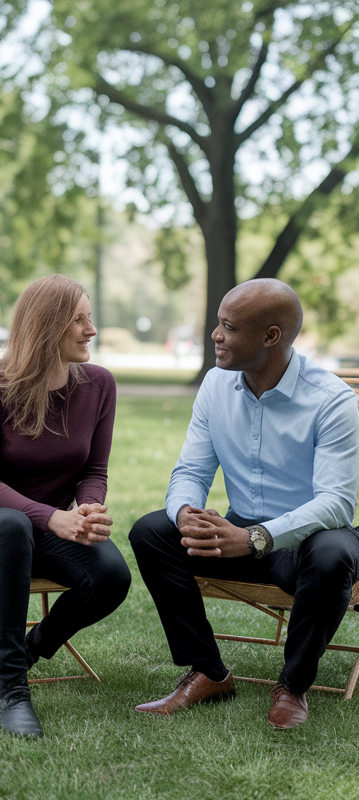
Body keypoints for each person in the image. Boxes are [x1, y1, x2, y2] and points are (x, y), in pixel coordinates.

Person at [129, 278, 359, 730]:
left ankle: (293, 687)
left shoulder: (332, 400)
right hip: (236, 535)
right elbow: (190, 473)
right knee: (152, 531)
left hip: (302, 549)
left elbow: (336, 503)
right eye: (218, 323)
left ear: (271, 336)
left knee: (334, 551)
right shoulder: (216, 386)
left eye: (229, 327)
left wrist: (256, 538)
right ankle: (208, 673)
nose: (215, 334)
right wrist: (187, 514)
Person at [0, 273, 131, 738]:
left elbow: (94, 471)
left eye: (91, 318)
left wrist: (86, 509)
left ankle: (29, 650)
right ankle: (13, 689)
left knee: (111, 576)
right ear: (47, 326)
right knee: (9, 525)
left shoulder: (100, 385)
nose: (91, 330)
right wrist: (52, 516)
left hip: (46, 528)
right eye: (79, 320)